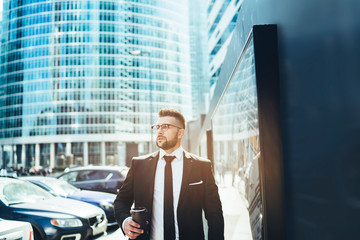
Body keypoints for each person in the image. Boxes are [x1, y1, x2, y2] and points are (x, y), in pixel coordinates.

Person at [114, 108, 224, 240]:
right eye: (157, 127)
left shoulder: (202, 166)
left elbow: (214, 214)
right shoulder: (139, 165)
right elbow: (121, 201)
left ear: (180, 133)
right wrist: (125, 221)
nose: (159, 131)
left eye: (165, 127)